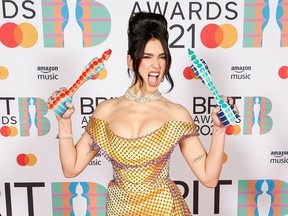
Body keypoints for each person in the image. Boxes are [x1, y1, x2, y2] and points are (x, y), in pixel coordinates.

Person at [47, 12, 239, 216]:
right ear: (131, 61)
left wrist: (219, 129)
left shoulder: (176, 114)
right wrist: (64, 121)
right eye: (147, 57)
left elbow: (209, 178)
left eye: (162, 57)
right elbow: (71, 168)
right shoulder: (106, 111)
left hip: (165, 210)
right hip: (119, 210)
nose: (156, 65)